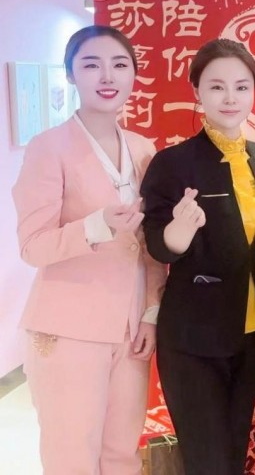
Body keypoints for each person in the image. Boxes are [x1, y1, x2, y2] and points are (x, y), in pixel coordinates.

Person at [12, 25, 166, 474]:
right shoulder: (48, 148)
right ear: (70, 74)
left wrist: (151, 311)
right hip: (67, 329)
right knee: (72, 456)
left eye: (119, 65)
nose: (107, 76)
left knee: (122, 452)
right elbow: (33, 246)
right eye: (91, 64)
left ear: (133, 75)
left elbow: (151, 244)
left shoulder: (142, 149)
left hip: (130, 327)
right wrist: (96, 225)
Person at [140, 38, 255, 475]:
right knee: (207, 460)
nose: (230, 97)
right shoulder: (172, 163)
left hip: (249, 334)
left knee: (234, 454)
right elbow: (156, 244)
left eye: (241, 86)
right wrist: (178, 232)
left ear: (254, 91)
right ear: (197, 91)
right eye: (217, 87)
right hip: (192, 337)